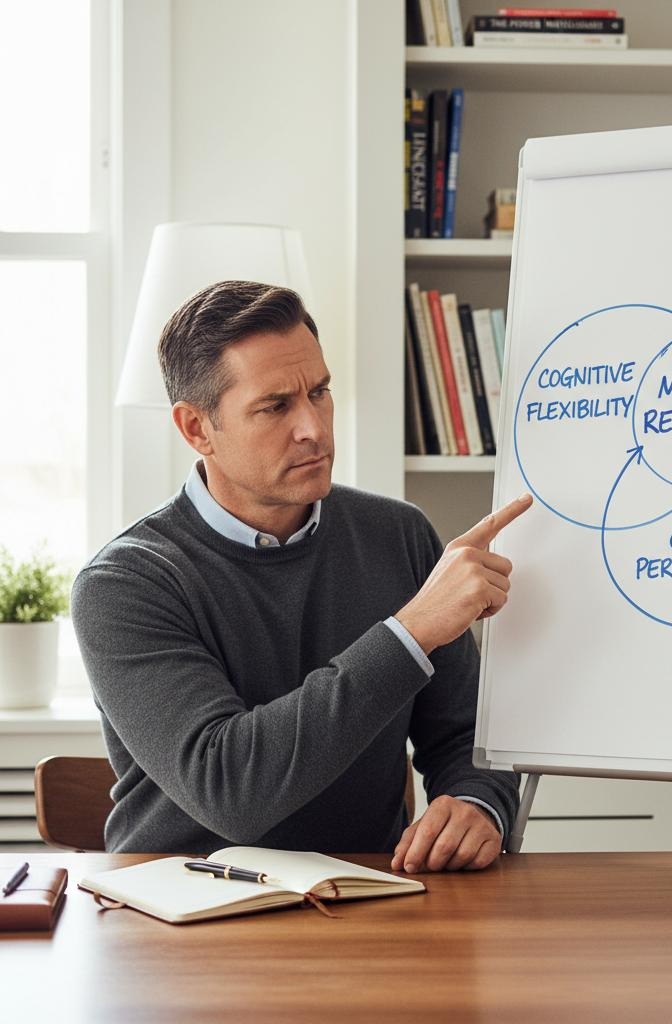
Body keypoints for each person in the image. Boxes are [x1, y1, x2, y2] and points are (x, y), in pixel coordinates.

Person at [71, 280, 530, 872]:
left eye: (320, 391)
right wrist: (411, 632)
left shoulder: (398, 535)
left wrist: (476, 803)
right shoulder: (125, 583)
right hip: (180, 920)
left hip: (366, 900)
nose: (313, 427)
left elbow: (468, 739)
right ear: (196, 428)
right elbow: (230, 791)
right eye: (275, 406)